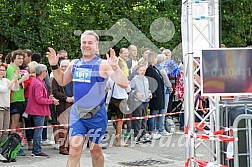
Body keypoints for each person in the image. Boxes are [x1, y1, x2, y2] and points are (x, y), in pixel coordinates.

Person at [46, 30, 128, 167]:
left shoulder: (102, 64)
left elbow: (123, 83)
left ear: (96, 46)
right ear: (80, 45)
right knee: (74, 151)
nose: (86, 45)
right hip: (77, 113)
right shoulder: (74, 64)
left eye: (90, 42)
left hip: (96, 114)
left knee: (95, 151)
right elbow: (61, 81)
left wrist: (116, 68)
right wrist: (54, 65)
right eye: (84, 42)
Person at [26, 64, 59, 157]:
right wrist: (52, 101)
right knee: (38, 130)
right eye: (45, 71)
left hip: (36, 109)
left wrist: (48, 98)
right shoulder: (38, 83)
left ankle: (36, 149)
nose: (46, 73)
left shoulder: (37, 81)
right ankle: (37, 150)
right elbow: (39, 99)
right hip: (38, 110)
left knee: (38, 130)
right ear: (42, 72)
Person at [0, 63, 19, 142]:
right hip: (0, 108)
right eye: (0, 70)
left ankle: (2, 147)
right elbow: (4, 90)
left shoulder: (6, 80)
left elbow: (16, 88)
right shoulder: (6, 82)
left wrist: (16, 78)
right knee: (0, 129)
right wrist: (13, 80)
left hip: (7, 107)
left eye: (3, 70)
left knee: (5, 130)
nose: (2, 72)